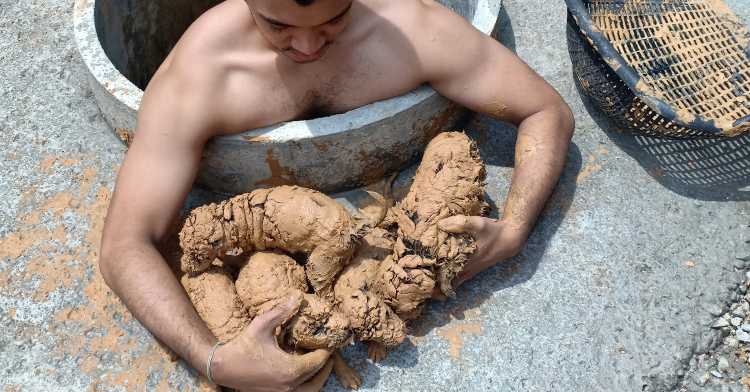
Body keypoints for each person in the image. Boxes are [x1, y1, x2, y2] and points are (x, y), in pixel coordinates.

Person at [99, 0, 575, 390]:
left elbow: (545, 110)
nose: (307, 45)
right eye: (277, 24)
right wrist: (216, 361)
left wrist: (514, 229)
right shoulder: (203, 73)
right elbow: (125, 245)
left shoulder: (412, 28)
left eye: (333, 19)